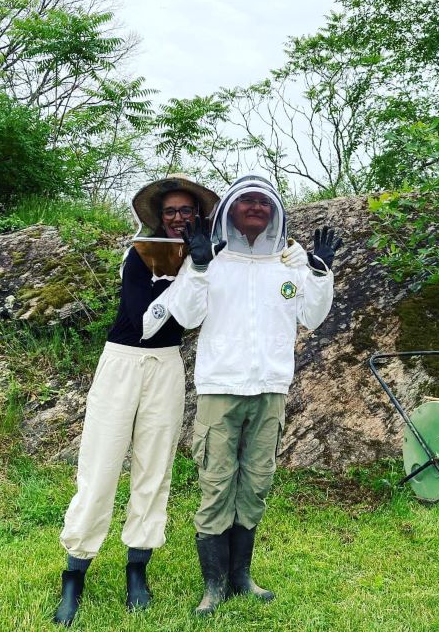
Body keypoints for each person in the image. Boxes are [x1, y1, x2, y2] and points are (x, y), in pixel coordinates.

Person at [143, 173, 340, 616]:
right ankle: (212, 587)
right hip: (220, 391)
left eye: (263, 203)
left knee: (255, 486)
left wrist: (319, 272)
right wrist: (196, 267)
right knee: (215, 487)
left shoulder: (289, 264)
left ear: (274, 212)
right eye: (246, 201)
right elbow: (188, 316)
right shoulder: (212, 261)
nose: (255, 207)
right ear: (230, 210)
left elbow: (314, 315)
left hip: (271, 389)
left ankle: (241, 577)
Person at [53, 174, 219, 626]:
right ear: (158, 217)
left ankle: (136, 570)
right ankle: (75, 574)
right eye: (172, 212)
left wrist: (201, 268)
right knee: (100, 466)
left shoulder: (204, 260)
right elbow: (143, 319)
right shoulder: (140, 253)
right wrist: (192, 275)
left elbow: (194, 321)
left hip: (166, 366)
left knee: (154, 467)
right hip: (123, 362)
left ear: (199, 215)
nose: (180, 218)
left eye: (188, 211)